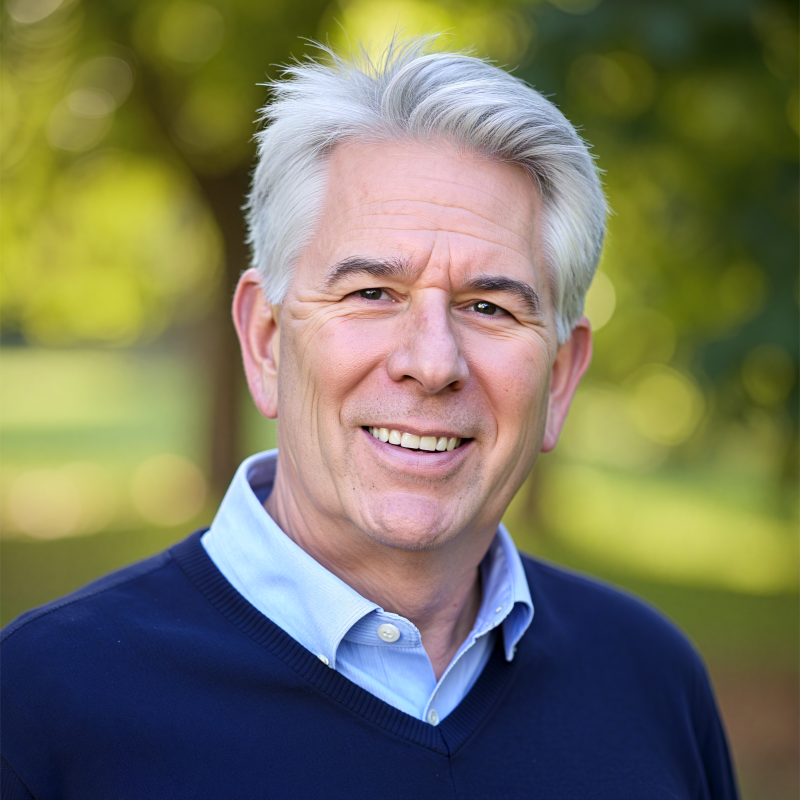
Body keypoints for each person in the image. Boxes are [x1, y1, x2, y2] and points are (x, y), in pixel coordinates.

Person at [0, 35, 738, 799]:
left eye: (488, 306)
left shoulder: (653, 683)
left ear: (559, 377)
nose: (432, 361)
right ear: (265, 340)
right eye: (371, 294)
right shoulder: (43, 707)